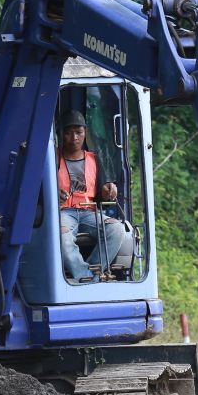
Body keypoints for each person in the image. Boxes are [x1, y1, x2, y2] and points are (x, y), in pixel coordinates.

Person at [56, 110, 128, 282]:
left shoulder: (94, 159)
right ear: (61, 134)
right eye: (68, 132)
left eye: (79, 132)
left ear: (85, 133)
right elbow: (39, 191)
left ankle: (89, 276)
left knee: (117, 229)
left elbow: (104, 193)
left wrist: (109, 190)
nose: (74, 138)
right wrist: (53, 194)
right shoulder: (52, 157)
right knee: (62, 237)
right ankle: (86, 277)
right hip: (63, 212)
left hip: (89, 211)